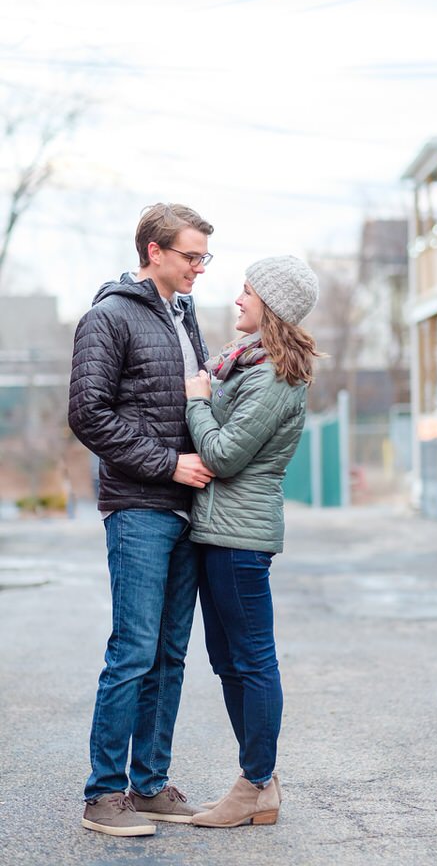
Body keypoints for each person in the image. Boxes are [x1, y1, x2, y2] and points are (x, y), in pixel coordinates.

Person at [69, 202, 215, 836]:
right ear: (153, 251)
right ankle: (104, 796)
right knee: (132, 650)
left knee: (171, 655)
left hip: (190, 509)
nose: (198, 269)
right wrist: (168, 466)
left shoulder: (185, 317)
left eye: (204, 258)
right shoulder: (107, 317)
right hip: (139, 508)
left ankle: (149, 785)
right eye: (190, 256)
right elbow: (89, 415)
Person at [183, 255, 319, 828]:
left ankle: (256, 782)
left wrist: (196, 399)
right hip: (219, 533)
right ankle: (258, 780)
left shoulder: (273, 378)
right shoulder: (245, 365)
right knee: (228, 660)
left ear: (272, 307)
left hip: (240, 538)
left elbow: (223, 454)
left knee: (252, 661)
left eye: (247, 292)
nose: (237, 300)